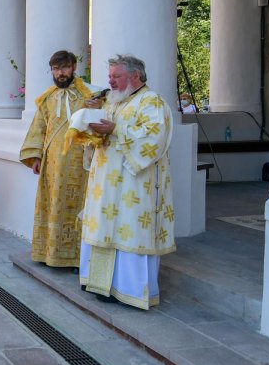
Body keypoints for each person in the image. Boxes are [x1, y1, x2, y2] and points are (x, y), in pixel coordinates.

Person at [75, 55, 175, 308]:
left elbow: (154, 140)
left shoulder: (152, 102)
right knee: (104, 228)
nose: (111, 81)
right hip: (106, 184)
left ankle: (129, 289)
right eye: (110, 77)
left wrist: (115, 130)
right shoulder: (112, 102)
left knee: (128, 229)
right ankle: (101, 284)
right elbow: (104, 135)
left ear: (135, 76)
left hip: (133, 184)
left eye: (116, 76)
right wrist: (91, 130)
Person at [20, 50, 93, 268]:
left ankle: (74, 257)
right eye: (56, 69)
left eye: (64, 68)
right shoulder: (47, 98)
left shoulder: (89, 95)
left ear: (74, 68)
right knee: (50, 204)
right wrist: (35, 156)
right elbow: (38, 128)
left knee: (75, 205)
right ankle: (47, 253)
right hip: (51, 162)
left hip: (79, 162)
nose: (60, 73)